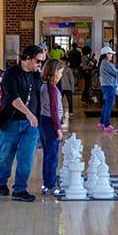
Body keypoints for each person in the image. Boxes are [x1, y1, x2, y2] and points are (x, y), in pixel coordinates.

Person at [0, 45, 45, 202]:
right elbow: (13, 98)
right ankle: (1, 181)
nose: (40, 64)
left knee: (26, 157)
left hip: (31, 125)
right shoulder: (10, 74)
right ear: (27, 58)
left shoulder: (37, 76)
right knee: (5, 155)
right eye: (38, 61)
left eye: (42, 62)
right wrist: (29, 114)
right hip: (11, 121)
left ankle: (20, 189)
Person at [40, 59, 65, 195]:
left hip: (44, 121)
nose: (61, 75)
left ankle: (46, 183)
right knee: (53, 156)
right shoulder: (52, 88)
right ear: (54, 72)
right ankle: (51, 185)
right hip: (50, 123)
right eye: (60, 72)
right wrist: (58, 129)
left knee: (47, 154)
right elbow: (54, 110)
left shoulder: (44, 86)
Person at [98, 45, 118, 133]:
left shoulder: (105, 63)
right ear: (106, 54)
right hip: (109, 86)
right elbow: (117, 73)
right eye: (110, 54)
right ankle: (106, 125)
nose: (111, 55)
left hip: (106, 86)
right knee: (109, 106)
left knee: (106, 105)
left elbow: (113, 69)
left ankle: (102, 123)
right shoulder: (106, 63)